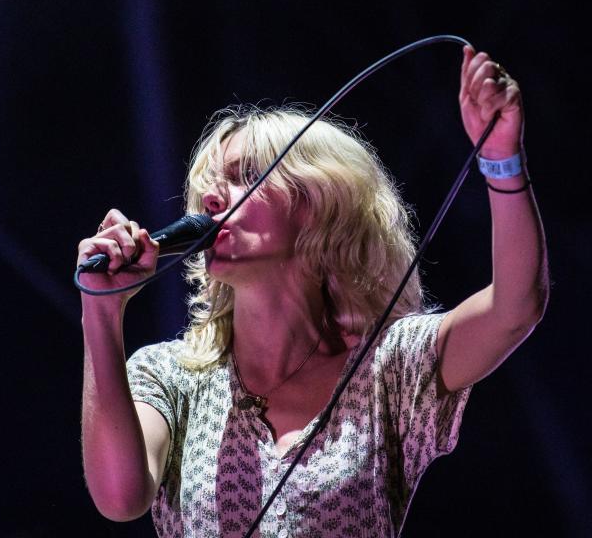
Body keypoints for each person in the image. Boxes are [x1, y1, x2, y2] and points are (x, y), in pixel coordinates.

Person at [78, 46, 548, 537]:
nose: (213, 197)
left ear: (316, 204)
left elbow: (515, 307)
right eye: (208, 189)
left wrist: (500, 161)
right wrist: (102, 313)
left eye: (243, 177)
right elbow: (120, 497)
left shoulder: (390, 366)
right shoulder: (170, 378)